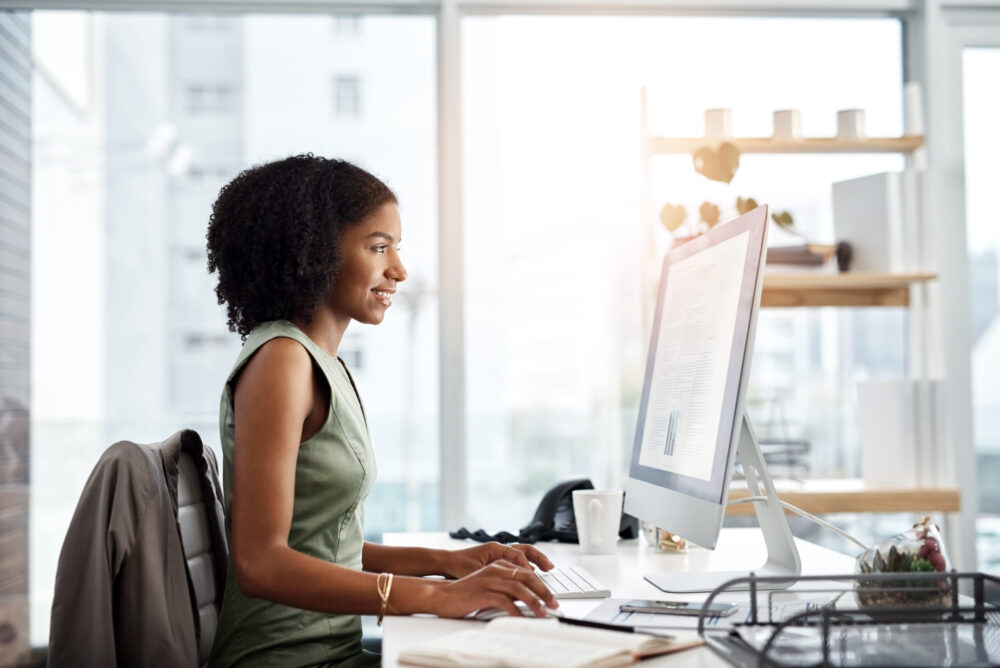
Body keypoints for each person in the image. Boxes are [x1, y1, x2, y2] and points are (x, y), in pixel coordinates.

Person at [205, 154, 558, 668]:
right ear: (314, 252)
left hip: (332, 651)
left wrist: (447, 564)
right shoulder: (281, 361)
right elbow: (262, 562)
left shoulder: (321, 363)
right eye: (378, 247)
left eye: (397, 247)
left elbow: (322, 545)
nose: (399, 269)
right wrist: (436, 596)